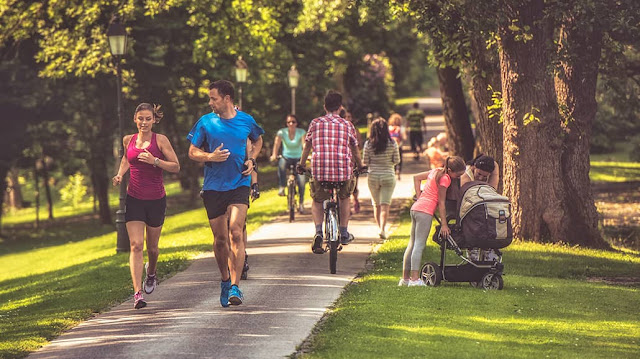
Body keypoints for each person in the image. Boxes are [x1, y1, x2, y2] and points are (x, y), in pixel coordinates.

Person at [187, 80, 264, 307]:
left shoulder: (246, 120)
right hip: (213, 187)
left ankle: (235, 286)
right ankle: (224, 279)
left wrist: (252, 159)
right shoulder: (205, 122)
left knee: (235, 232)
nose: (210, 103)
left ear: (227, 98)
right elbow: (192, 151)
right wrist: (209, 157)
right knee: (220, 240)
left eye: (214, 98)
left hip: (239, 182)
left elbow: (258, 140)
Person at [112, 103, 180, 309]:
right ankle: (137, 294)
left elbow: (176, 166)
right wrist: (120, 174)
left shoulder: (161, 140)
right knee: (135, 245)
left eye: (148, 119)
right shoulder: (128, 140)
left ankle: (151, 273)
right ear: (135, 119)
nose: (144, 122)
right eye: (140, 118)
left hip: (156, 200)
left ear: (153, 120)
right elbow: (126, 159)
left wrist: (155, 161)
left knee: (152, 248)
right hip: (134, 199)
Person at [298, 90, 364, 254]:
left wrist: (301, 164)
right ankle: (343, 232)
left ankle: (319, 232)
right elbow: (355, 148)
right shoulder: (347, 125)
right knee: (345, 197)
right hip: (342, 171)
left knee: (317, 200)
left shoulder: (315, 123)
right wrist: (361, 165)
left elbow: (307, 146)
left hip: (320, 170)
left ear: (324, 106)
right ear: (340, 107)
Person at [399, 156, 466, 287]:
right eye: (457, 175)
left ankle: (405, 279)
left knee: (412, 244)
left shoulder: (435, 171)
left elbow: (416, 177)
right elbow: (441, 203)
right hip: (425, 211)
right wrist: (444, 225)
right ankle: (414, 280)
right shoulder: (445, 178)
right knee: (419, 245)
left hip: (416, 209)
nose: (458, 178)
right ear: (450, 170)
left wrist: (419, 196)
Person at [363, 118, 400, 239]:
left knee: (376, 204)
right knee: (385, 204)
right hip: (388, 175)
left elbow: (365, 161)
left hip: (373, 176)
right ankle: (383, 229)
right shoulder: (393, 143)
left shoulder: (368, 144)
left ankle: (379, 228)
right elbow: (397, 160)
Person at [270, 114, 307, 213]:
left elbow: (304, 145)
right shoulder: (282, 132)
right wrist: (274, 155)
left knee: (302, 181)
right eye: (289, 122)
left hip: (298, 158)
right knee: (281, 165)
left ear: (296, 123)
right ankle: (282, 187)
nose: (291, 124)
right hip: (286, 157)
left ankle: (301, 203)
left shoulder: (301, 132)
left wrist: (307, 155)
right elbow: (277, 144)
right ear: (286, 123)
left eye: (293, 122)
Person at [341, 109, 363, 214]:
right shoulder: (339, 130)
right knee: (344, 186)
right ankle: (347, 206)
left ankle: (355, 200)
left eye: (349, 117)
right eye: (345, 117)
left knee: (354, 185)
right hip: (343, 163)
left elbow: (359, 146)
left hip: (353, 162)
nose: (347, 119)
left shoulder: (355, 131)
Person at [388, 113, 405, 180]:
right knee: (400, 159)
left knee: (392, 159)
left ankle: (394, 171)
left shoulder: (388, 128)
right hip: (399, 145)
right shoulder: (401, 128)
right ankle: (399, 170)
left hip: (391, 146)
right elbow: (404, 137)